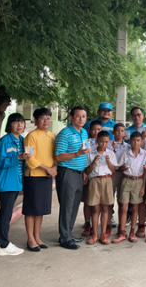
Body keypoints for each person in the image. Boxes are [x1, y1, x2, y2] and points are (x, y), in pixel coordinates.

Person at [0, 113, 30, 256]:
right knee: (6, 215)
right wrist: (17, 157)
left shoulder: (23, 141)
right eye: (16, 122)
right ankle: (4, 245)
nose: (19, 125)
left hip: (16, 182)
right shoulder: (5, 141)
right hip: (6, 183)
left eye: (22, 122)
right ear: (9, 125)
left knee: (3, 214)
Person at [55, 106, 91, 250]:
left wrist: (84, 171)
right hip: (67, 172)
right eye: (78, 116)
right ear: (71, 117)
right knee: (67, 206)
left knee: (75, 205)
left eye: (83, 116)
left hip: (79, 173)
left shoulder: (83, 132)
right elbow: (58, 156)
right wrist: (77, 153)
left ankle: (68, 234)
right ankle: (64, 238)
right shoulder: (65, 134)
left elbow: (85, 154)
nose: (81, 119)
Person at [23, 108, 57, 252]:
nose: (46, 121)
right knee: (31, 209)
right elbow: (29, 158)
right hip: (34, 176)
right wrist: (47, 168)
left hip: (46, 177)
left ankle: (37, 237)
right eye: (42, 118)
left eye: (48, 118)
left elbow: (55, 154)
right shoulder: (31, 136)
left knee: (40, 209)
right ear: (35, 120)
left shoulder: (52, 136)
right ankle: (30, 238)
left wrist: (54, 167)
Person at [113, 131, 146, 244]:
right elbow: (119, 168)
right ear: (130, 141)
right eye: (133, 140)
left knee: (135, 209)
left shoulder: (145, 154)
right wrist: (124, 166)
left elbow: (145, 172)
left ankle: (132, 232)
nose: (136, 143)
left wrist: (143, 186)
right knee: (123, 207)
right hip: (127, 180)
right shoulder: (126, 153)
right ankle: (122, 232)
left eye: (138, 140)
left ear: (141, 142)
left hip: (138, 181)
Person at [84, 130, 118, 245]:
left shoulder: (111, 153)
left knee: (105, 208)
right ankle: (94, 234)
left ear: (109, 142)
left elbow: (113, 171)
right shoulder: (91, 153)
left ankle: (103, 234)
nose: (104, 144)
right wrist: (93, 162)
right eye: (102, 141)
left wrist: (108, 162)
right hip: (94, 181)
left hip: (107, 180)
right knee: (95, 209)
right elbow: (87, 171)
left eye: (106, 142)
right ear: (97, 141)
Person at [108, 123, 131, 231]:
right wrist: (112, 150)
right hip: (111, 174)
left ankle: (121, 223)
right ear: (112, 132)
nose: (119, 133)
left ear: (125, 133)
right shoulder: (107, 145)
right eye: (117, 131)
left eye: (122, 131)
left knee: (122, 200)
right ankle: (108, 220)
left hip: (123, 174)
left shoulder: (128, 147)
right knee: (109, 198)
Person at [81, 120, 102, 237]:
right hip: (88, 174)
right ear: (89, 130)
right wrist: (85, 173)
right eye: (94, 129)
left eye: (98, 129)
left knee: (98, 203)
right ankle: (87, 224)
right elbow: (83, 158)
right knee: (87, 201)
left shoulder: (105, 143)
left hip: (99, 177)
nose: (96, 132)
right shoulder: (86, 143)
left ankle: (96, 225)